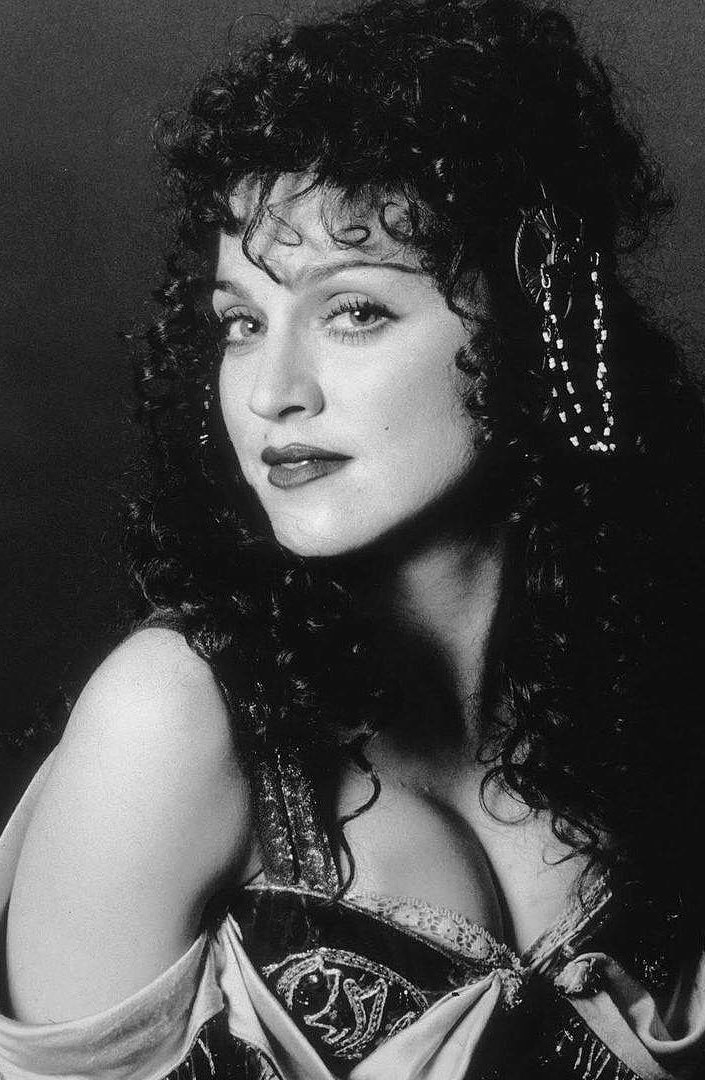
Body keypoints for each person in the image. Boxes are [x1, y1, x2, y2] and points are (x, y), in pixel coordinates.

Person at [1, 0, 705, 1075]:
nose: (271, 392)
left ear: (534, 325)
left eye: (355, 312)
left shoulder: (661, 704)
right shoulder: (174, 719)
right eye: (243, 322)